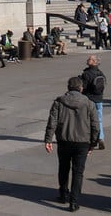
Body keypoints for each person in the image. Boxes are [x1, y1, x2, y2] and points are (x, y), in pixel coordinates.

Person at [44, 76, 99, 212]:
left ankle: (63, 193)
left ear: (68, 87)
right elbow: (95, 125)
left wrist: (48, 139)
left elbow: (52, 122)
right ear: (81, 88)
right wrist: (93, 143)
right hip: (82, 142)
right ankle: (74, 202)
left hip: (64, 140)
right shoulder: (89, 103)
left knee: (63, 168)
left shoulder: (59, 101)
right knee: (78, 172)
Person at [80, 54, 107, 150]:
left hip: (89, 99)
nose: (88, 60)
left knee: (87, 120)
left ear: (94, 62)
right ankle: (101, 138)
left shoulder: (86, 74)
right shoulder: (100, 73)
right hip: (99, 99)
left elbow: (84, 88)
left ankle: (90, 139)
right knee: (99, 120)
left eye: (90, 59)